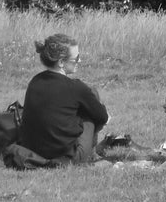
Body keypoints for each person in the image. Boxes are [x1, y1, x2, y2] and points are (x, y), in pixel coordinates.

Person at [13, 33, 109, 166]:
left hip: (33, 152)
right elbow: (103, 118)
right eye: (76, 58)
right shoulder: (77, 88)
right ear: (61, 62)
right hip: (67, 157)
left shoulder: (34, 81)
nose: (79, 61)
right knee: (91, 99)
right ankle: (90, 154)